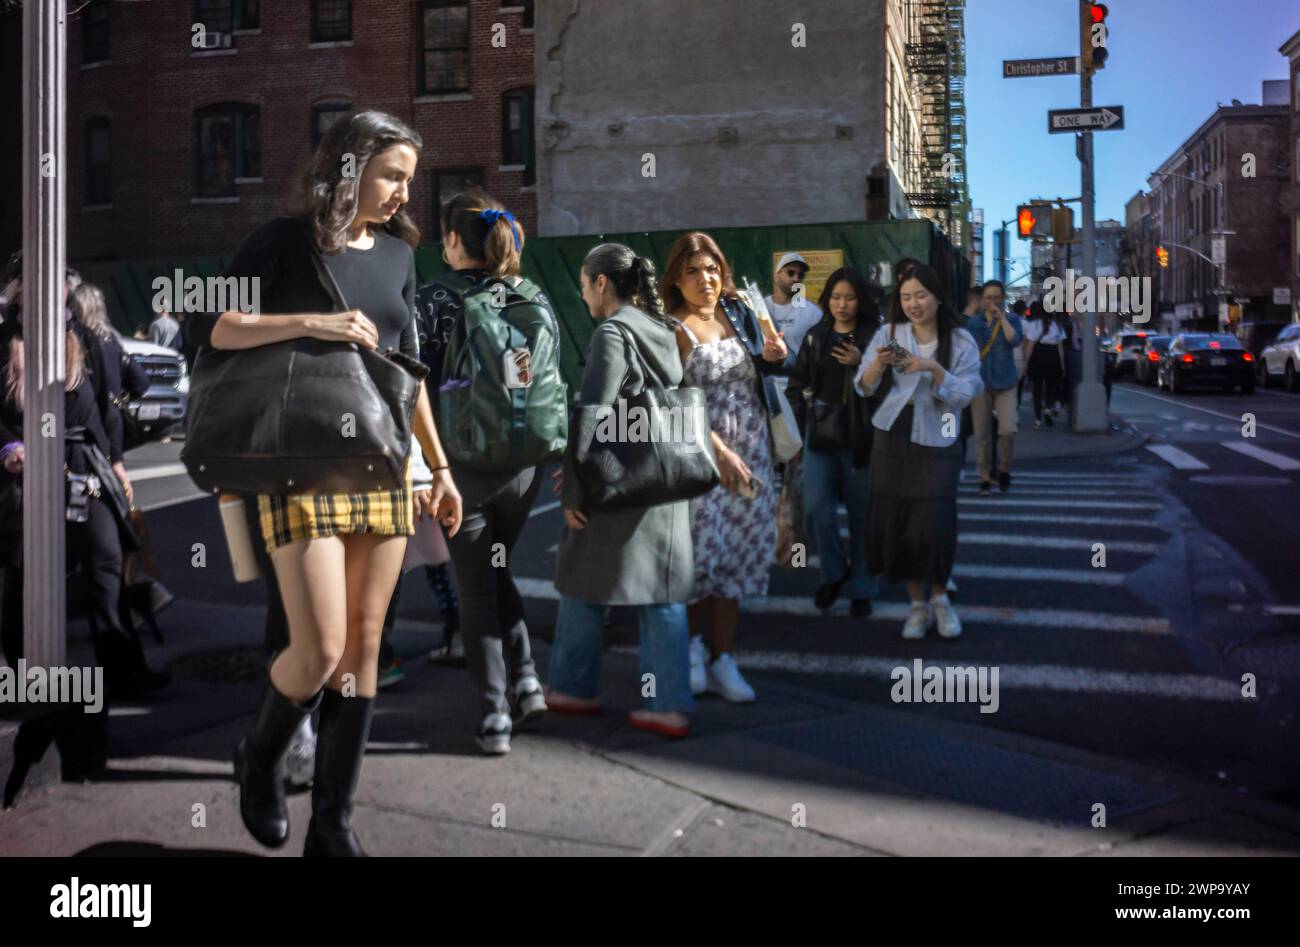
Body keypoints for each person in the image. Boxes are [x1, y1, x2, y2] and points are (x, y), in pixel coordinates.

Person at [185, 110, 464, 857]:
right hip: (296, 463)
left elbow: (411, 379)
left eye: (411, 179)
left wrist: (438, 469)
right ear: (350, 167)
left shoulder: (402, 259)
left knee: (364, 649)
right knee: (317, 646)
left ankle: (333, 826)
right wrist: (317, 322)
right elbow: (212, 326)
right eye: (393, 176)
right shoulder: (283, 241)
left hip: (380, 463)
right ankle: (260, 756)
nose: (407, 193)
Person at [413, 188, 555, 755]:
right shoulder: (532, 294)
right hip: (525, 464)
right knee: (496, 570)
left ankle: (495, 712)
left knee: (475, 587)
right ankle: (526, 680)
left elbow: (410, 386)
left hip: (461, 463)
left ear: (451, 240)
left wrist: (424, 467)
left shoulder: (432, 299)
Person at [546, 243, 696, 737]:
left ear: (602, 283)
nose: (583, 292)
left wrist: (574, 493)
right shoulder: (665, 330)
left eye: (585, 283)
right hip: (662, 478)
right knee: (662, 595)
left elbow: (593, 413)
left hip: (615, 482)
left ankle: (571, 687)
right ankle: (666, 703)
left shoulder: (613, 333)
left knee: (581, 580)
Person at [0, 277, 168, 696]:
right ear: (20, 290)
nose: (53, 290)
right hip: (24, 466)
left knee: (107, 559)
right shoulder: (5, 340)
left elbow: (103, 408)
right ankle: (27, 681)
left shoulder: (84, 337)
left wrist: (115, 462)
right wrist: (9, 445)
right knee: (26, 573)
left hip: (81, 463)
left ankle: (123, 670)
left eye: (59, 283)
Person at [663, 232, 787, 702]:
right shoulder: (670, 327)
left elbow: (767, 375)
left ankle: (724, 658)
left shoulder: (738, 312)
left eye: (712, 268)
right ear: (676, 277)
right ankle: (690, 651)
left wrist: (775, 357)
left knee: (737, 554)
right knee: (699, 556)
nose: (705, 279)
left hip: (752, 447)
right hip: (700, 453)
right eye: (693, 270)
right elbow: (670, 400)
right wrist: (716, 448)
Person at [854, 264, 982, 640]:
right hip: (893, 436)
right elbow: (862, 386)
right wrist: (877, 363)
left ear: (938, 297)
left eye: (921, 295)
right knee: (900, 524)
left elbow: (966, 393)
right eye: (907, 297)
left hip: (940, 434)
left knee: (934, 525)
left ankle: (940, 598)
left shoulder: (960, 341)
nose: (914, 304)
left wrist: (932, 369)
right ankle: (916, 605)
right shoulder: (889, 332)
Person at [786, 266, 880, 617]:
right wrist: (798, 431)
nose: (842, 305)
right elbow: (797, 387)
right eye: (836, 297)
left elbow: (890, 386)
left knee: (861, 515)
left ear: (861, 301)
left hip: (861, 433)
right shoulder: (816, 335)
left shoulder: (876, 336)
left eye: (850, 297)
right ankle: (834, 572)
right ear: (827, 300)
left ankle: (862, 586)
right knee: (816, 510)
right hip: (820, 432)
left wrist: (862, 364)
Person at [964, 280, 1023, 495]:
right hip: (980, 384)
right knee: (982, 434)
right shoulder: (974, 324)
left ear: (1003, 299)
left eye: (997, 297)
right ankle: (985, 477)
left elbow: (1014, 340)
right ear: (981, 301)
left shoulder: (1013, 319)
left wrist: (1002, 318)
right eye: (988, 298)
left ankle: (1004, 468)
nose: (992, 301)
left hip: (1005, 383)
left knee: (1007, 429)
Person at [763, 252, 822, 368]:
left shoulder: (813, 313)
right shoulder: (760, 307)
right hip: (766, 381)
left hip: (798, 381)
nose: (796, 278)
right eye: (791, 272)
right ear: (777, 276)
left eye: (800, 275)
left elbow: (819, 355)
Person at [1023, 300, 1066, 429]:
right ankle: (1048, 408)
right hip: (1053, 357)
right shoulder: (1057, 326)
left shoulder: (1034, 325)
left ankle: (1037, 420)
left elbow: (1030, 346)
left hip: (1038, 356)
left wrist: (1026, 362)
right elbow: (1060, 348)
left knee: (1037, 388)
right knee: (1051, 386)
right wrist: (1063, 365)